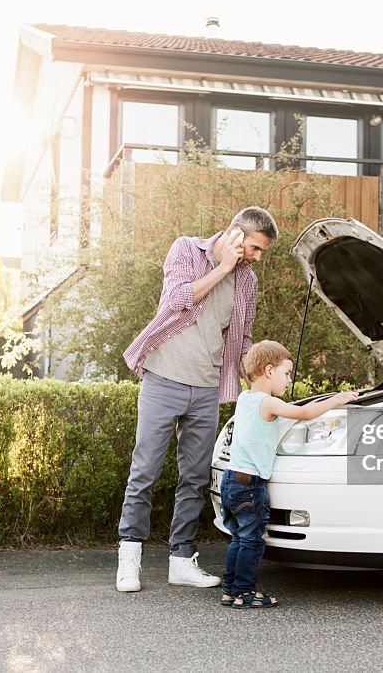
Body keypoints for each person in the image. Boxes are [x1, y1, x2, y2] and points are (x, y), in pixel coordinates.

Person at [116, 206, 279, 592]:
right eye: (254, 248)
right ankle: (129, 559)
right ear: (236, 235)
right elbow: (176, 300)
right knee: (145, 472)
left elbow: (242, 339)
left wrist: (262, 377)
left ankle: (180, 561)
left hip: (206, 388)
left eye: (261, 252)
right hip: (164, 379)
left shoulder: (248, 282)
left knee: (194, 477)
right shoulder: (187, 250)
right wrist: (222, 267)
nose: (257, 258)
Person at [220, 340, 358, 608]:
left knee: (239, 538)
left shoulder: (245, 399)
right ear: (269, 371)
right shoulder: (268, 403)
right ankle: (245, 592)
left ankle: (231, 589)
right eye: (287, 373)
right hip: (249, 485)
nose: (289, 379)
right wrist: (337, 399)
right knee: (251, 541)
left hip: (231, 480)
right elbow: (305, 413)